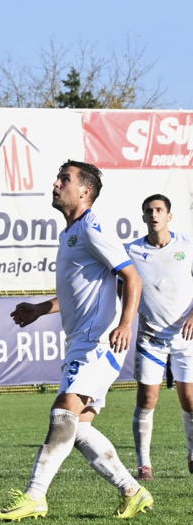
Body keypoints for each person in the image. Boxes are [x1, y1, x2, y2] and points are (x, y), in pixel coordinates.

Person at [0, 160, 152, 520]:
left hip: (98, 342)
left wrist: (126, 323)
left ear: (85, 191)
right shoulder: (71, 233)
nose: (55, 183)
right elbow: (78, 292)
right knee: (79, 429)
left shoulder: (92, 227)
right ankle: (133, 491)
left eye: (64, 179)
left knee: (63, 412)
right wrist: (39, 309)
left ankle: (36, 496)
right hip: (83, 341)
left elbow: (132, 277)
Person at [126, 193, 193, 481]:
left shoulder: (187, 246)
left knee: (189, 401)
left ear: (169, 216)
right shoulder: (131, 251)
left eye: (158, 210)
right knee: (147, 399)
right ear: (143, 217)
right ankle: (144, 465)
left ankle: (192, 453)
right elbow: (122, 289)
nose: (153, 215)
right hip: (151, 338)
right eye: (148, 211)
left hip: (185, 337)